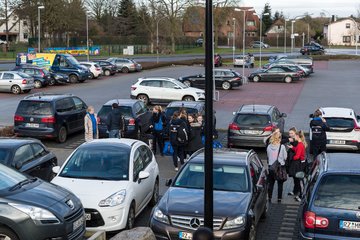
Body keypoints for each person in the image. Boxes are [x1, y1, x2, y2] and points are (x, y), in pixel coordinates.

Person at [267, 132, 287, 203]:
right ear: (279, 138)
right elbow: (285, 157)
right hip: (279, 167)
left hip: (271, 167)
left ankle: (269, 197)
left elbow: (268, 156)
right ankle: (279, 198)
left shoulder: (269, 146)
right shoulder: (282, 147)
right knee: (280, 184)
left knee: (271, 183)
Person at [288, 130, 307, 202]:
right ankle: (297, 192)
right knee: (298, 179)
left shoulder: (300, 145)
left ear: (298, 136)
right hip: (300, 163)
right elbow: (296, 149)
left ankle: (301, 195)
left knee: (300, 180)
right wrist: (292, 147)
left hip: (300, 164)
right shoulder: (300, 144)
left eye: (295, 136)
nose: (293, 137)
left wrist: (291, 157)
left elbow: (297, 156)